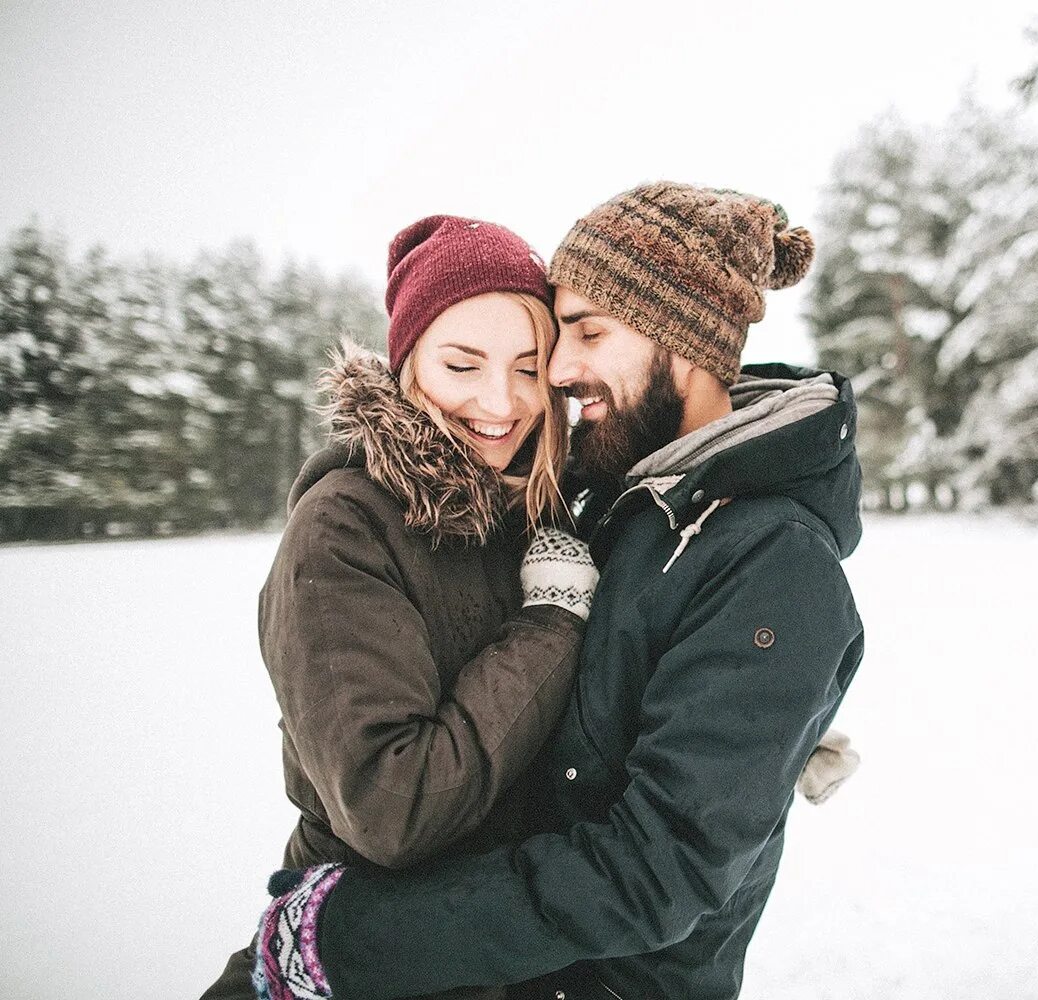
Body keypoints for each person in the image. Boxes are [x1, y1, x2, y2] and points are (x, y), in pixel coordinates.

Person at [251, 182, 865, 1000]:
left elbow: (658, 865)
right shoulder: (615, 497)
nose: (557, 376)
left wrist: (364, 938)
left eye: (582, 335)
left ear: (679, 337)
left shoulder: (768, 555)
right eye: (466, 363)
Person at [201, 215, 599, 1000]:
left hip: (494, 948)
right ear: (408, 363)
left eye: (528, 367)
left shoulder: (532, 508)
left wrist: (742, 709)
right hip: (364, 953)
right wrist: (551, 622)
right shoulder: (344, 528)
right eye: (463, 364)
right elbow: (395, 808)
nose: (501, 400)